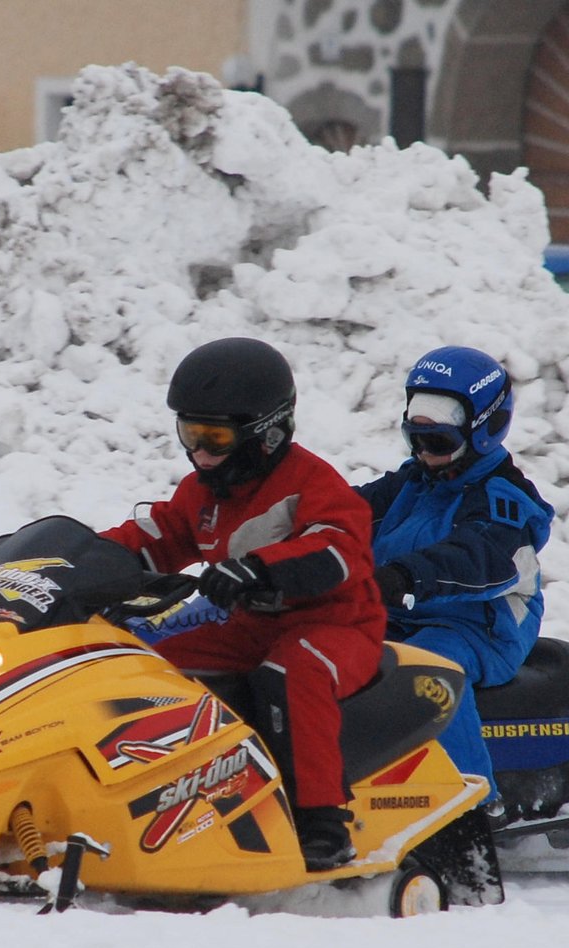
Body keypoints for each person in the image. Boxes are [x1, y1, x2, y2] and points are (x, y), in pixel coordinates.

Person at [102, 337, 387, 871]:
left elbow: (337, 549)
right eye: (191, 434)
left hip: (337, 624)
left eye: (216, 437)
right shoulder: (205, 489)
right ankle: (149, 792)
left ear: (267, 433)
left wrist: (261, 567)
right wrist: (83, 559)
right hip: (251, 623)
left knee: (293, 669)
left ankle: (321, 820)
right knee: (142, 655)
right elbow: (159, 534)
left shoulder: (312, 483)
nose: (201, 452)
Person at [355, 346, 554, 803]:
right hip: (404, 613)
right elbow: (345, 512)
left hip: (482, 627)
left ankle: (472, 806)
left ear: (485, 431)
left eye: (439, 443)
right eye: (416, 440)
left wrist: (403, 576)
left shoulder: (505, 502)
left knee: (426, 671)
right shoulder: (415, 482)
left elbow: (477, 558)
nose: (424, 454)